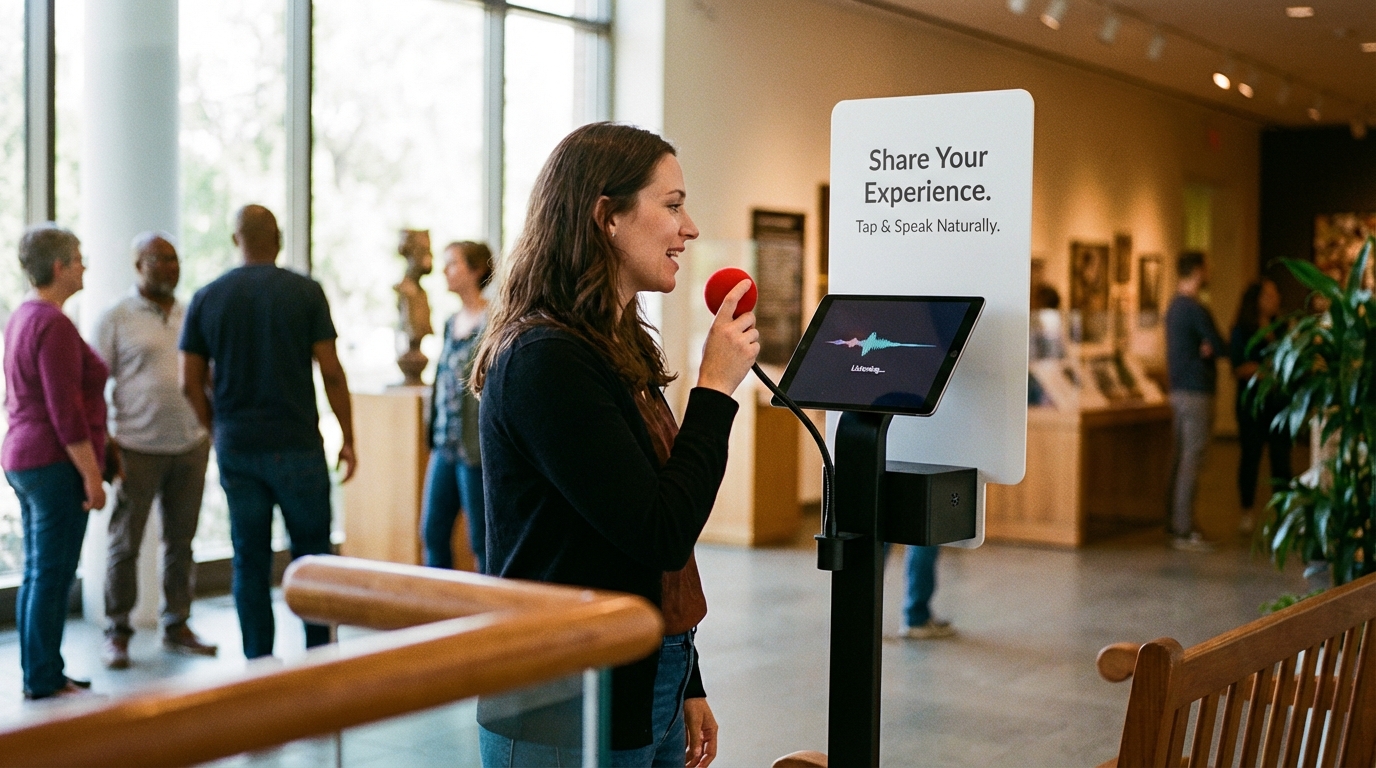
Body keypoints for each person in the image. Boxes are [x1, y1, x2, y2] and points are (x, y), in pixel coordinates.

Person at [471, 122, 758, 767]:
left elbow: (652, 537)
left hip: (647, 669)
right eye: (673, 205)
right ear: (608, 216)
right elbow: (659, 529)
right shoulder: (548, 357)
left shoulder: (615, 340)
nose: (689, 229)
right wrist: (714, 389)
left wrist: (687, 676)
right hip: (562, 701)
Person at [180, 204, 357, 659]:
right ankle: (318, 655)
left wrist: (216, 429)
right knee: (313, 558)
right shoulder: (305, 291)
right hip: (296, 443)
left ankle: (259, 663)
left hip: (239, 447)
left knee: (249, 559)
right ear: (276, 239)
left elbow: (189, 380)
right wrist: (349, 436)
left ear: (235, 240)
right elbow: (331, 373)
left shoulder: (207, 297)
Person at [95, 233, 217, 669]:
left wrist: (213, 430)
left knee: (181, 542)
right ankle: (117, 630)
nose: (171, 267)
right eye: (160, 260)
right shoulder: (115, 317)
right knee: (125, 543)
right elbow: (95, 385)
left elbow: (208, 376)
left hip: (189, 444)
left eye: (175, 260)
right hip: (135, 447)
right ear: (138, 265)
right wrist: (106, 443)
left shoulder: (191, 313)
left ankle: (178, 624)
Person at [3, 223, 107, 699]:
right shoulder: (54, 324)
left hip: (23, 458)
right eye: (79, 258)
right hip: (51, 462)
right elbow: (64, 410)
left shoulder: (21, 317)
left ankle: (43, 671)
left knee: (39, 569)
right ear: (60, 267)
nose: (85, 266)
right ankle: (43, 678)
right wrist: (93, 477)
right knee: (52, 571)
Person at [421, 241, 493, 572]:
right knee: (432, 532)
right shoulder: (451, 322)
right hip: (444, 444)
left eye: (453, 264)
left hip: (474, 448)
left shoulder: (493, 320)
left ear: (476, 269)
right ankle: (441, 613)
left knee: (481, 539)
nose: (445, 271)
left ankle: (487, 615)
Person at [1165, 251, 1226, 552]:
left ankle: (1176, 522)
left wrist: (1209, 346)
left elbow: (1212, 345)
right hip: (1197, 391)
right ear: (1198, 271)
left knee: (1180, 457)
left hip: (1177, 391)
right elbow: (1219, 344)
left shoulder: (1173, 308)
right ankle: (1184, 528)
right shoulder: (1194, 309)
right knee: (1192, 458)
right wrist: (1209, 347)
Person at [1229, 278, 1291, 534]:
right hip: (1252, 404)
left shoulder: (1283, 327)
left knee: (1281, 459)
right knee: (1251, 457)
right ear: (1257, 300)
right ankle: (1246, 509)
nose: (1275, 299)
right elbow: (1240, 367)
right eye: (1270, 295)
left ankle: (1283, 512)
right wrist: (1268, 371)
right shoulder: (1243, 329)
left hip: (1279, 403)